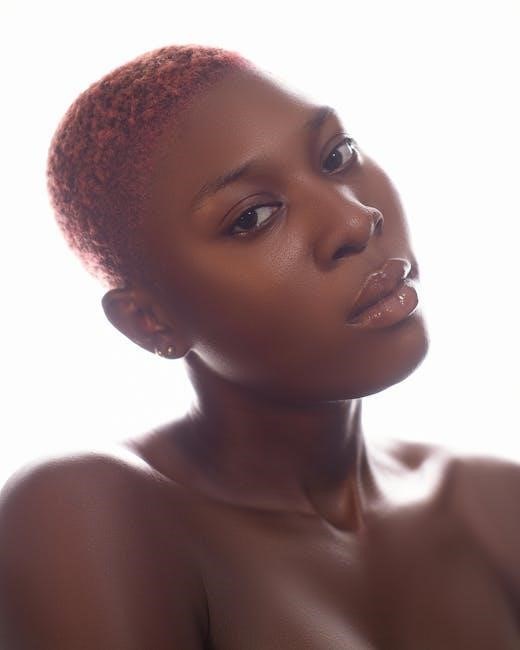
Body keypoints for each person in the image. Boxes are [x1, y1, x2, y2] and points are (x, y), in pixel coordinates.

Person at [0, 43, 518, 649]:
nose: (355, 220)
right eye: (252, 217)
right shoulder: (88, 512)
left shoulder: (496, 503)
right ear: (150, 321)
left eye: (336, 155)